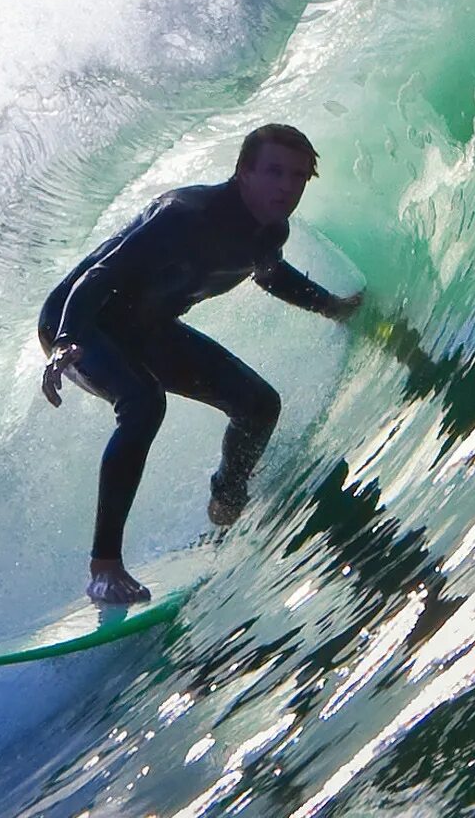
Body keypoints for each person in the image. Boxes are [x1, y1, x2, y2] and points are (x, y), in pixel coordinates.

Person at [37, 123, 362, 605]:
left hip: (146, 329)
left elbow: (269, 275)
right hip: (81, 321)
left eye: (298, 177)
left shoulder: (270, 230)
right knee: (144, 402)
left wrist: (332, 307)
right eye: (274, 172)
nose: (287, 187)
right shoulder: (184, 215)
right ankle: (104, 568)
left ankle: (226, 501)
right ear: (244, 172)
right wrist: (65, 342)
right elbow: (100, 275)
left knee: (258, 405)